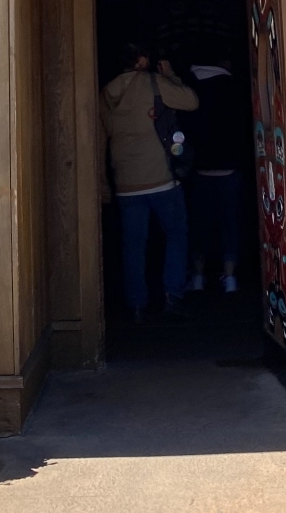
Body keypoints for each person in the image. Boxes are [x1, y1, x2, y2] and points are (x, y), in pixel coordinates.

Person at [101, 44, 198, 318]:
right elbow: (191, 101)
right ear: (142, 59)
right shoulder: (153, 82)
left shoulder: (105, 93)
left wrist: (103, 183)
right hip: (161, 178)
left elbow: (99, 140)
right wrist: (171, 76)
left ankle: (136, 304)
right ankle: (172, 293)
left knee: (133, 245)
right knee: (176, 233)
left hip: (125, 183)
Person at [185, 58, 247, 294]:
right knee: (230, 225)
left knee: (199, 226)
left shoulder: (192, 86)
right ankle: (229, 279)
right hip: (230, 168)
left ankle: (198, 277)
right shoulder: (235, 88)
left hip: (201, 169)